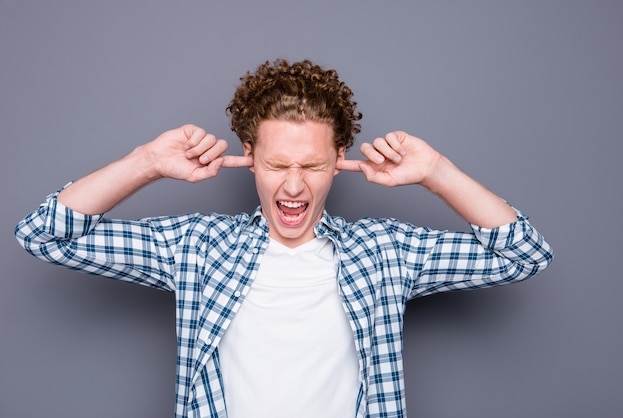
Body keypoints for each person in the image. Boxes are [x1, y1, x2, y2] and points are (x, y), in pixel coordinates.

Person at [15, 59, 553, 418]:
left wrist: (436, 170)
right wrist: (147, 163)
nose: (293, 184)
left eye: (313, 165)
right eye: (276, 164)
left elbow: (522, 254)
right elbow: (46, 236)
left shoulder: (384, 252)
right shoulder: (199, 247)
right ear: (249, 156)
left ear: (341, 160)